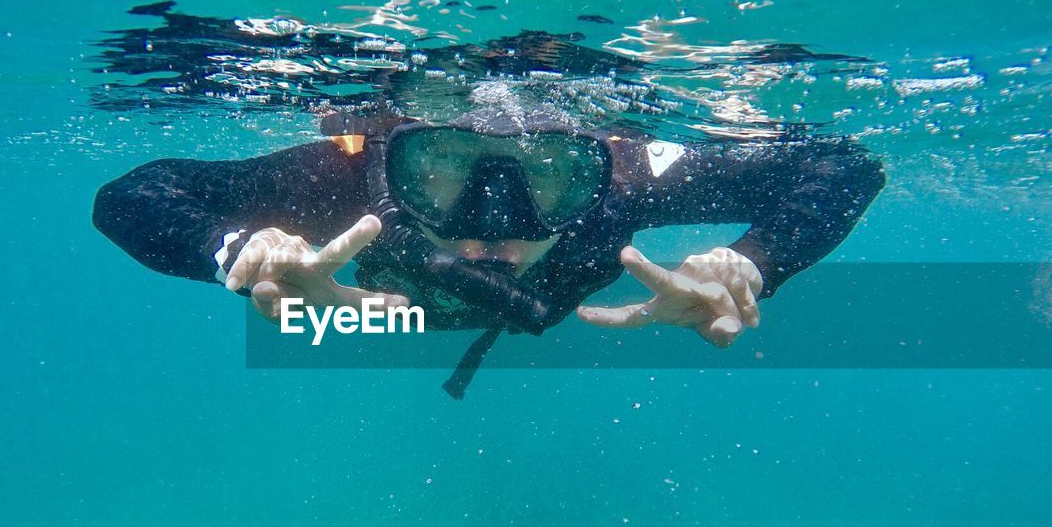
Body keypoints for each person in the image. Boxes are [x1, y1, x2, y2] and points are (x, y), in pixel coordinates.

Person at [93, 101, 884, 395]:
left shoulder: (628, 179)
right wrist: (233, 249)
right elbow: (131, 198)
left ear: (593, 172)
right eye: (439, 169)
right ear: (392, 164)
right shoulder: (339, 176)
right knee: (324, 329)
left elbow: (843, 168)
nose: (490, 223)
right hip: (367, 316)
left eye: (548, 176)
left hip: (401, 310)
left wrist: (754, 260)